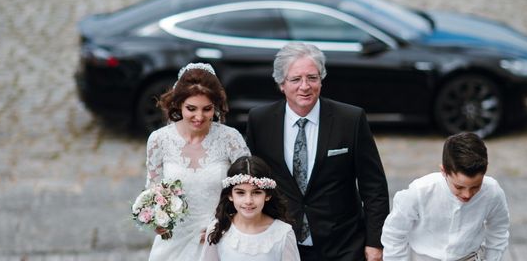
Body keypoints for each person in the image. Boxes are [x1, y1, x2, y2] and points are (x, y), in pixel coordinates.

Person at [246, 42, 390, 261]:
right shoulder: (260, 120)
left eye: (312, 78)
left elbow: (374, 187)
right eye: (296, 79)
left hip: (343, 245)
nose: (305, 86)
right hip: (281, 244)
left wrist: (375, 242)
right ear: (281, 84)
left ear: (321, 80)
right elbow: (252, 181)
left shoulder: (350, 119)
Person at [145, 63, 250, 261]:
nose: (199, 117)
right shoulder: (159, 140)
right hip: (174, 244)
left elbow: (247, 191)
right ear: (178, 104)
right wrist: (156, 220)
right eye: (191, 108)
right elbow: (153, 190)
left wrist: (224, 227)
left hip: (222, 241)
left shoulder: (231, 139)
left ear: (216, 107)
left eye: (207, 109)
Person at [381, 132, 510, 261]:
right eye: (459, 187)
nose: (467, 194)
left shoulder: (492, 192)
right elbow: (394, 233)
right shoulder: (419, 192)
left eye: (476, 187)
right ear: (444, 171)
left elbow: (499, 229)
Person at [200, 155, 301, 261]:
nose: (248, 201)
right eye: (240, 193)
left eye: (256, 192)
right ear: (230, 195)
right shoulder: (218, 229)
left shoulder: (283, 233)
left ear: (267, 195)